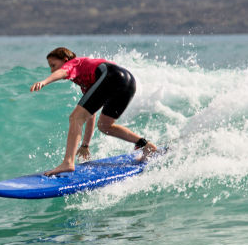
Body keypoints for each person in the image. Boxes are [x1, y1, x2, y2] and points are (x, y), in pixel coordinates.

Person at [30, 47, 159, 176]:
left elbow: (63, 71)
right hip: (128, 82)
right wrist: (85, 145)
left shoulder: (74, 63)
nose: (52, 70)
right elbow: (90, 114)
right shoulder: (88, 80)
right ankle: (146, 145)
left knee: (75, 118)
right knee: (105, 126)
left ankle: (68, 162)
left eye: (53, 65)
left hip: (112, 75)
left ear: (65, 60)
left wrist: (44, 81)